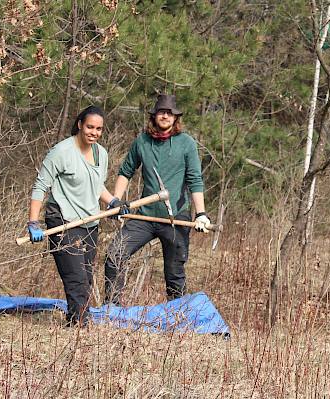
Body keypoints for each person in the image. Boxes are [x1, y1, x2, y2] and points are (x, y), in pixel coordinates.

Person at [102, 94, 210, 306]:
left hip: (175, 218)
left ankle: (176, 316)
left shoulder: (186, 143)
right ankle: (111, 310)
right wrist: (115, 200)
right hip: (144, 216)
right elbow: (125, 171)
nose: (165, 116)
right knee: (115, 254)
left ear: (176, 118)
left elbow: (195, 180)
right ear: (154, 116)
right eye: (161, 112)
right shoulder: (142, 141)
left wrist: (201, 214)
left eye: (169, 113)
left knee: (174, 272)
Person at [27, 105, 119, 327]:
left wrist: (114, 202)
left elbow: (97, 186)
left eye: (98, 129)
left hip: (89, 223)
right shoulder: (61, 152)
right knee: (76, 278)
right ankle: (81, 327)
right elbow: (41, 187)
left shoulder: (101, 153)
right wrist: (33, 221)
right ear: (79, 124)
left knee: (86, 279)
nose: (94, 133)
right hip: (63, 222)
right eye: (89, 127)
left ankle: (73, 321)